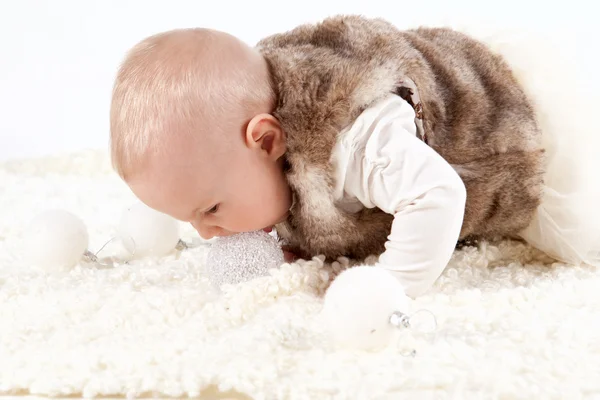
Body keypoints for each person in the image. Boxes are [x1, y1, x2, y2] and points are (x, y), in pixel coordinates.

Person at [109, 15, 600, 298]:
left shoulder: (355, 143)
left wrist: (390, 286)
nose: (206, 233)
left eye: (211, 210)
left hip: (510, 133)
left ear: (266, 141)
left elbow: (438, 193)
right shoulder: (245, 134)